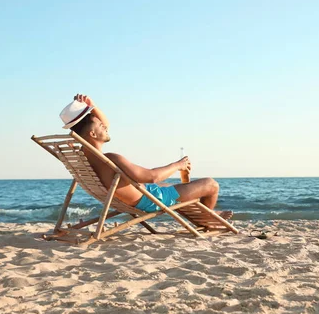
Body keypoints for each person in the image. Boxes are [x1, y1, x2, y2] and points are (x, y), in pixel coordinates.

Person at [59, 93, 232, 220]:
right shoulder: (111, 158)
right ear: (92, 134)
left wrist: (92, 106)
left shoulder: (84, 156)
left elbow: (103, 125)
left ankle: (211, 213)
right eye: (100, 125)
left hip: (141, 194)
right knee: (211, 184)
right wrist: (178, 165)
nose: (105, 126)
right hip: (150, 201)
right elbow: (151, 177)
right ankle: (209, 219)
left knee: (173, 185)